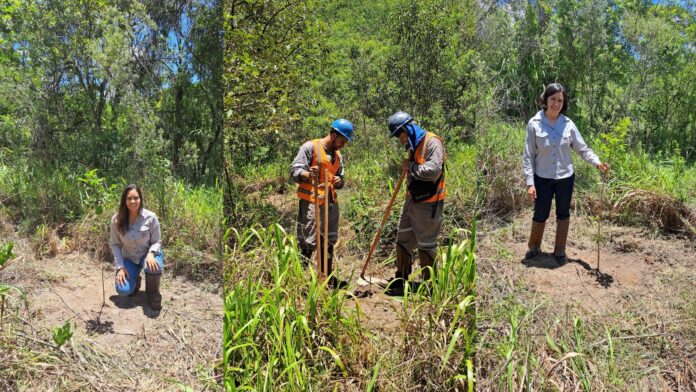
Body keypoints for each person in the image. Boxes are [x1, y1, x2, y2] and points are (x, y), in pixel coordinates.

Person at [523, 83, 609, 265]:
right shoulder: (534, 124)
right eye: (553, 99)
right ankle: (534, 247)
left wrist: (597, 163)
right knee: (540, 213)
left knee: (563, 213)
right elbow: (528, 155)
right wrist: (530, 183)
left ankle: (560, 250)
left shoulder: (568, 124)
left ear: (564, 102)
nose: (556, 103)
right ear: (545, 100)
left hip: (565, 178)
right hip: (542, 178)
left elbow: (582, 149)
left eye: (560, 100)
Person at [385, 111, 446, 296]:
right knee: (403, 239)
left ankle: (431, 288)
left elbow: (433, 170)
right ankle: (401, 280)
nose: (400, 139)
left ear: (407, 128)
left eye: (400, 134)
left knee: (426, 245)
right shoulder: (413, 144)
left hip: (429, 204)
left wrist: (410, 166)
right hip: (412, 201)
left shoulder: (432, 142)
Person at [290, 119, 354, 288]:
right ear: (333, 135)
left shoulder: (338, 155)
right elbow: (295, 170)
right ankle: (299, 280)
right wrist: (307, 174)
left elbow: (340, 178)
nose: (343, 145)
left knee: (329, 240)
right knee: (308, 241)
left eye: (345, 143)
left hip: (331, 202)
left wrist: (340, 181)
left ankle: (325, 278)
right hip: (312, 202)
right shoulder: (310, 147)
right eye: (341, 141)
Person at [109, 184, 164, 310]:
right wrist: (120, 267)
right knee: (122, 290)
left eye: (136, 198)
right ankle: (135, 282)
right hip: (129, 258)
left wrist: (151, 254)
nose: (133, 201)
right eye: (129, 198)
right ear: (124, 200)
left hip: (148, 255)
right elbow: (115, 244)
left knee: (153, 267)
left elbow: (157, 241)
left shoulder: (151, 217)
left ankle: (153, 294)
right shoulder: (116, 220)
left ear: (141, 199)